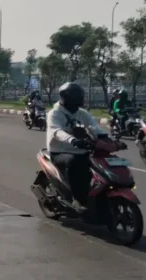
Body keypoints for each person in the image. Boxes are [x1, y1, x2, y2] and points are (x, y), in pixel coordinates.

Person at [47, 82, 106, 213]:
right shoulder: (54, 113)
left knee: (102, 162)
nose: (79, 99)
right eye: (76, 96)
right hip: (60, 152)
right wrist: (72, 140)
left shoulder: (82, 113)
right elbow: (57, 131)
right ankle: (77, 199)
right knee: (74, 162)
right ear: (66, 98)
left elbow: (94, 127)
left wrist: (108, 139)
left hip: (82, 150)